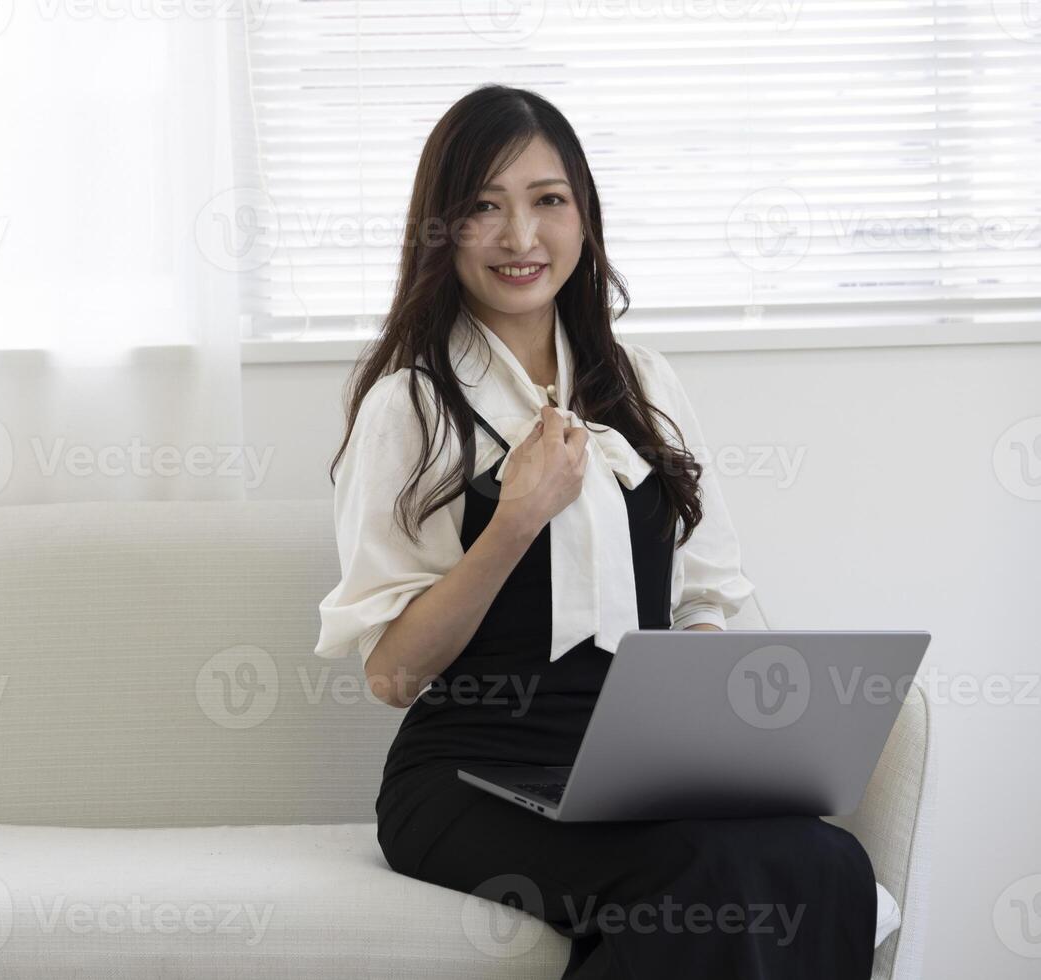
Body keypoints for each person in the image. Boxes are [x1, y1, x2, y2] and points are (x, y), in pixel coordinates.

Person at [314, 84, 878, 979]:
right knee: (701, 878)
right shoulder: (413, 405)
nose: (521, 239)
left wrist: (701, 698)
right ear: (443, 230)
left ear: (585, 216)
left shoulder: (642, 381)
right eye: (484, 209)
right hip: (471, 769)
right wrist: (516, 518)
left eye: (548, 202)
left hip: (633, 766)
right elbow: (392, 672)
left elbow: (704, 591)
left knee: (824, 862)